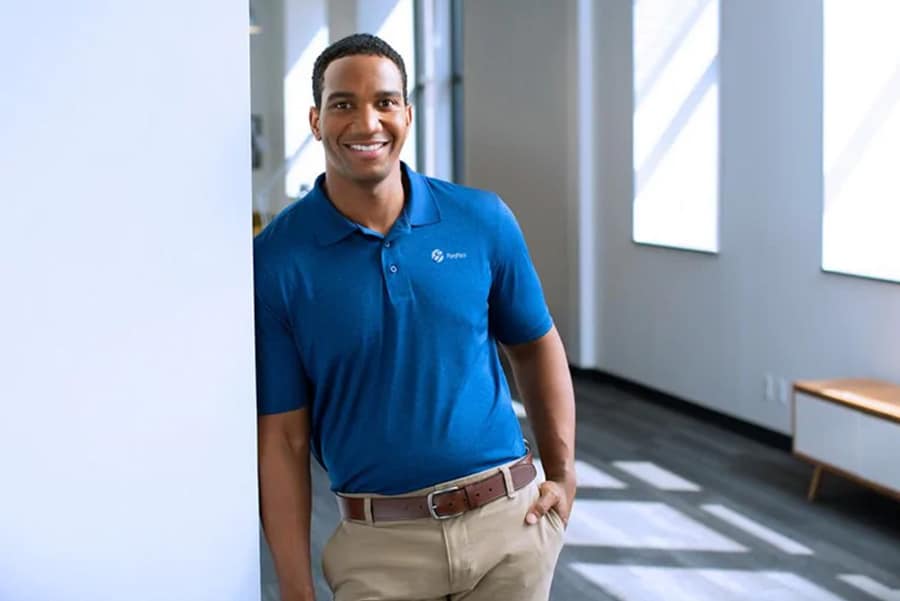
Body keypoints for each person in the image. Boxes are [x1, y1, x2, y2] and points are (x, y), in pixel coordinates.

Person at [254, 33, 576, 601]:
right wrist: (295, 587)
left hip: (510, 528)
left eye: (384, 101)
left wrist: (564, 474)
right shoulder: (277, 260)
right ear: (315, 119)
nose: (366, 122)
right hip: (379, 549)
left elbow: (535, 342)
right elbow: (283, 438)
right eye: (343, 104)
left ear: (407, 113)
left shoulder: (481, 219)